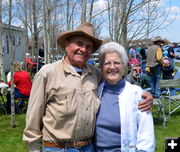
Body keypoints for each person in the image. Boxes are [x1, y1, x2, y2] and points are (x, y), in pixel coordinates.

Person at [23, 22, 153, 152]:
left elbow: (117, 82)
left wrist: (144, 95)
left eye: (88, 46)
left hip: (89, 147)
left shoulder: (95, 74)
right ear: (67, 45)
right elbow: (33, 117)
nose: (83, 49)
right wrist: (34, 148)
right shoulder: (47, 73)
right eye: (79, 43)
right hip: (58, 148)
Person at [95, 42, 155, 152]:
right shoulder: (94, 92)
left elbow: (146, 135)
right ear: (101, 67)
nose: (112, 67)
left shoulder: (137, 93)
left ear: (124, 66)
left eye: (117, 63)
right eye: (107, 63)